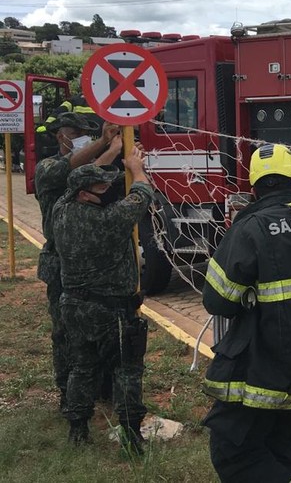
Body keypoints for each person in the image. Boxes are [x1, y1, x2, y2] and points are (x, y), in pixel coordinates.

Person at [201, 143, 291, 482]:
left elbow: (217, 300)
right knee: (280, 445)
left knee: (234, 452)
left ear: (253, 187)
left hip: (260, 371)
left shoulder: (250, 228)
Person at [51, 147, 154, 452]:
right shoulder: (108, 220)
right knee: (126, 369)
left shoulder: (60, 209)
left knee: (82, 367)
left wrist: (110, 152)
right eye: (102, 188)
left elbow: (89, 174)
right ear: (84, 194)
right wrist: (135, 168)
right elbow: (141, 196)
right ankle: (132, 435)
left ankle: (78, 429)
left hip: (73, 305)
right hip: (111, 311)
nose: (109, 191)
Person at [34, 112, 121, 411]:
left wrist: (116, 151)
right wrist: (103, 143)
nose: (83, 138)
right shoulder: (46, 169)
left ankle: (102, 390)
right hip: (61, 263)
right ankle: (67, 396)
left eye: (88, 133)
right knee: (66, 333)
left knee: (104, 329)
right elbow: (71, 172)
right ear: (61, 136)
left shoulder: (92, 171)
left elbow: (95, 173)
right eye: (77, 133)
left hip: (97, 265)